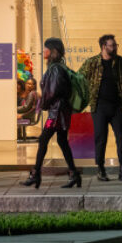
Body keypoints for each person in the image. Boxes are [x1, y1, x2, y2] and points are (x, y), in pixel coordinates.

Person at [21, 37, 83, 189]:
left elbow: (52, 91)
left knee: (43, 139)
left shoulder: (55, 69)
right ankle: (74, 174)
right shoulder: (59, 67)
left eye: (45, 48)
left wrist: (43, 104)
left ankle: (36, 174)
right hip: (61, 111)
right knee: (62, 141)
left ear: (52, 50)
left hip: (56, 113)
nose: (43, 51)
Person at [79, 34, 122, 182]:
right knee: (101, 138)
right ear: (104, 47)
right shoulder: (92, 63)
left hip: (116, 106)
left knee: (121, 137)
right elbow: (80, 79)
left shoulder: (120, 62)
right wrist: (86, 97)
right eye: (112, 45)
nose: (115, 48)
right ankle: (101, 169)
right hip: (99, 107)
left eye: (115, 45)